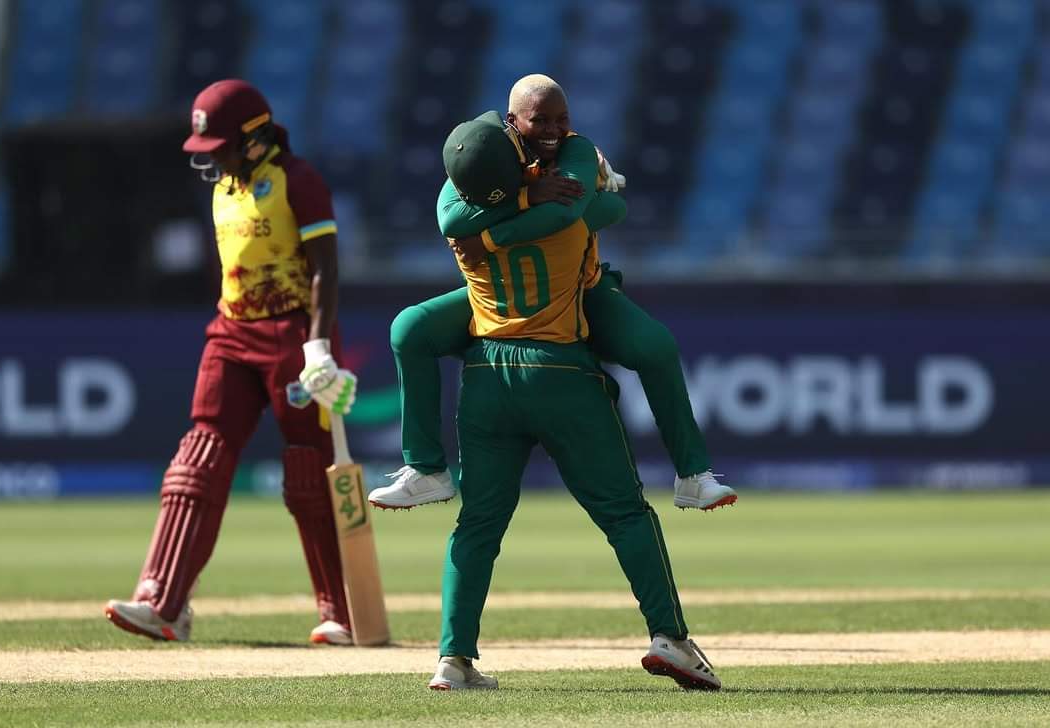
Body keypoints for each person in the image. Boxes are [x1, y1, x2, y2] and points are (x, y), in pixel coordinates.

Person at [425, 112, 721, 691]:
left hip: (486, 373)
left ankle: (453, 659)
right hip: (560, 368)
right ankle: (670, 638)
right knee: (626, 515)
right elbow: (609, 208)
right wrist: (594, 181)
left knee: (478, 524)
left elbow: (463, 206)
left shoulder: (464, 228)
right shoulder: (568, 211)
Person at [368, 75, 735, 513]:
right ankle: (426, 470)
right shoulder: (486, 153)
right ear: (512, 121)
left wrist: (488, 235)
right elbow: (451, 221)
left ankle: (693, 475)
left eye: (562, 119)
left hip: (582, 290)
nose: (553, 131)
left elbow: (573, 213)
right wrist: (528, 197)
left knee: (655, 346)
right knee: (410, 328)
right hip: (500, 296)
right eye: (540, 120)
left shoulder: (577, 150)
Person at [104, 79, 358, 646]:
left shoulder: (298, 180)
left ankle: (341, 611)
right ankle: (163, 601)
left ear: (254, 138)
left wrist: (319, 346)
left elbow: (325, 269)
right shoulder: (225, 187)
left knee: (308, 471)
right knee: (198, 459)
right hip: (231, 331)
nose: (213, 160)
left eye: (220, 148)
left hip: (294, 333)